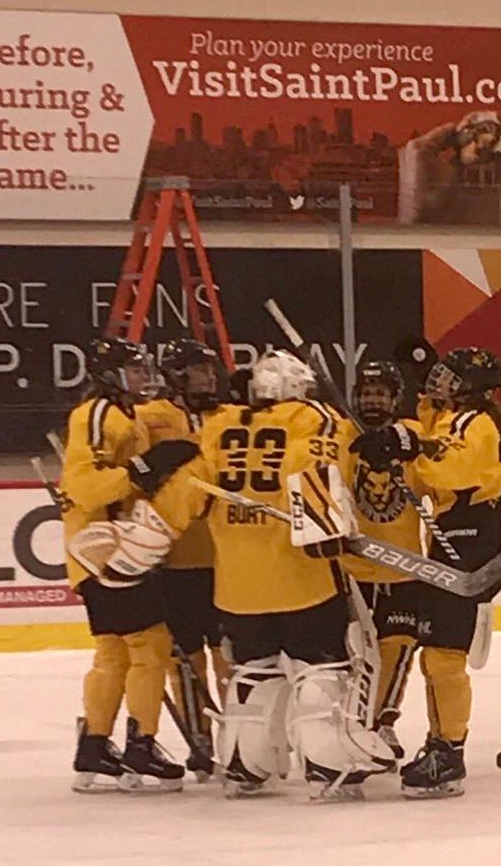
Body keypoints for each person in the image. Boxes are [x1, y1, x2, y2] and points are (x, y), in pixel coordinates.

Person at [167, 350, 394, 800]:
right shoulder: (315, 418)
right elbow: (313, 468)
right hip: (301, 578)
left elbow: (189, 493)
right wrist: (330, 526)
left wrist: (147, 536)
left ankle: (244, 766)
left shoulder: (219, 425)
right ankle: (329, 768)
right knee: (320, 670)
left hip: (237, 587)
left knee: (254, 671)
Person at [352, 346, 501, 795]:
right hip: (456, 540)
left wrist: (406, 446)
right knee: (436, 655)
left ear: (471, 388)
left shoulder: (476, 423)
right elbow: (431, 446)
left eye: (449, 377)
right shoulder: (457, 419)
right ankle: (441, 743)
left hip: (469, 541)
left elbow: (451, 468)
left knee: (444, 655)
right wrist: (401, 443)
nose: (439, 381)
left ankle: (449, 752)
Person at [60, 337, 186, 793]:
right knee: (151, 644)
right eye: (133, 370)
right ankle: (141, 745)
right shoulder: (96, 414)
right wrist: (141, 469)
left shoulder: (123, 413)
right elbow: (84, 485)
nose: (142, 377)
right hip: (107, 550)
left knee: (113, 652)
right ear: (110, 374)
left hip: (104, 550)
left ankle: (94, 746)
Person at [135, 337, 231, 779]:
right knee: (185, 657)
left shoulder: (230, 418)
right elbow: (131, 476)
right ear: (176, 374)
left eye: (210, 370)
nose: (209, 378)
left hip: (228, 558)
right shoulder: (149, 417)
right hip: (174, 561)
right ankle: (200, 739)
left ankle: (239, 736)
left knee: (230, 655)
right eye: (199, 370)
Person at [342, 359, 429, 764]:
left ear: (395, 400)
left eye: (380, 394)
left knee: (398, 648)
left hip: (403, 569)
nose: (372, 400)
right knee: (352, 655)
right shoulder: (342, 435)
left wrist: (406, 445)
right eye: (366, 393)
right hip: (352, 569)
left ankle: (382, 723)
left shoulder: (413, 436)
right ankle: (351, 723)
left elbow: (439, 473)